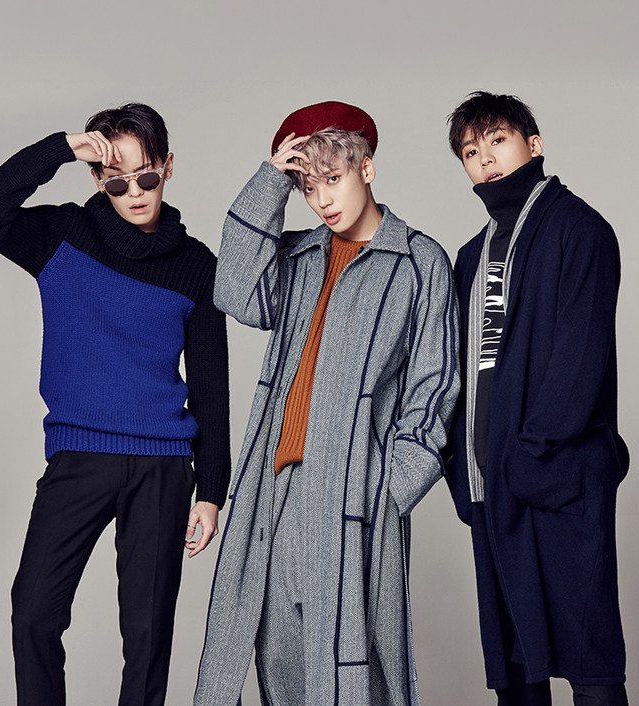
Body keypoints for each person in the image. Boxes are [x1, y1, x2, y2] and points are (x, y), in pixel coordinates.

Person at [0, 102, 230, 706]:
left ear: (168, 167)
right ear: (97, 178)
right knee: (34, 612)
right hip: (79, 458)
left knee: (148, 636)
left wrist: (211, 490)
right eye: (116, 181)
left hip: (163, 467)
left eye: (147, 177)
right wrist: (62, 146)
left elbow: (212, 387)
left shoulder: (197, 267)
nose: (134, 193)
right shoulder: (61, 236)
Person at [195, 101, 458, 705]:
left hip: (356, 488)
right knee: (278, 658)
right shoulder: (298, 256)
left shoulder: (418, 261)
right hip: (277, 489)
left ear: (367, 168)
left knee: (355, 667)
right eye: (308, 188)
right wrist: (270, 181)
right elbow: (234, 292)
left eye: (332, 179)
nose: (322, 200)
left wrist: (391, 487)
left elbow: (436, 383)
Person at [442, 91, 629, 706]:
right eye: (471, 152)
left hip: (557, 478)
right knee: (517, 673)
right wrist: (463, 471)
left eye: (498, 140)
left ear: (534, 144)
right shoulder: (471, 256)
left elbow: (579, 359)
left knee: (590, 662)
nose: (486, 159)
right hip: (490, 489)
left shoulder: (581, 230)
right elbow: (458, 373)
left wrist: (528, 458)